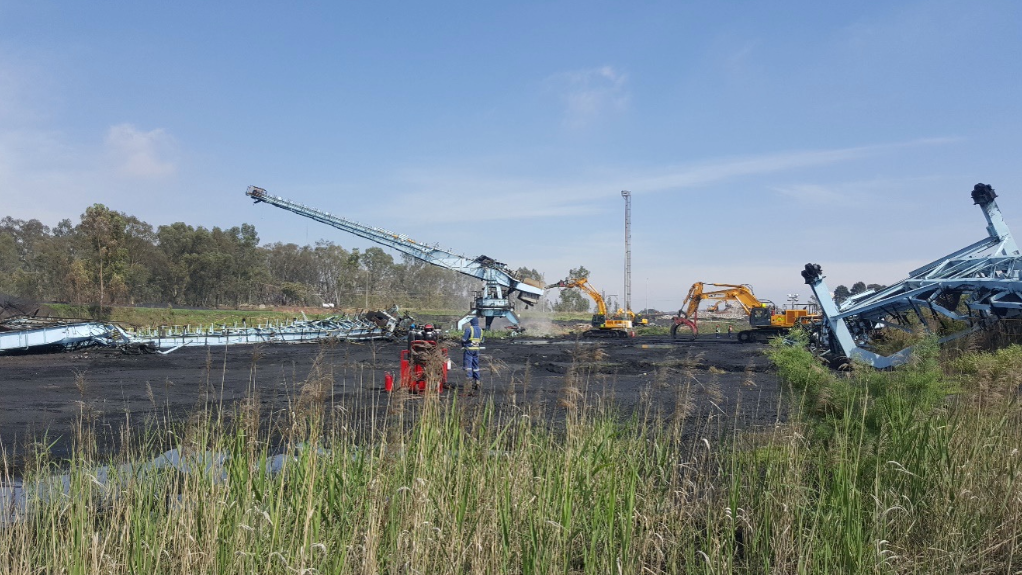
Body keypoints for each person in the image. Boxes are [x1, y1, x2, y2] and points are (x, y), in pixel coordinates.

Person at [461, 316, 484, 390]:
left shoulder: (469, 329)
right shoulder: (481, 330)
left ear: (471, 322)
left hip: (469, 350)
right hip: (476, 350)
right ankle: (477, 381)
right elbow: (482, 340)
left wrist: (462, 344)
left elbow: (464, 339)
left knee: (468, 366)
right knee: (476, 366)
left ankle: (469, 382)